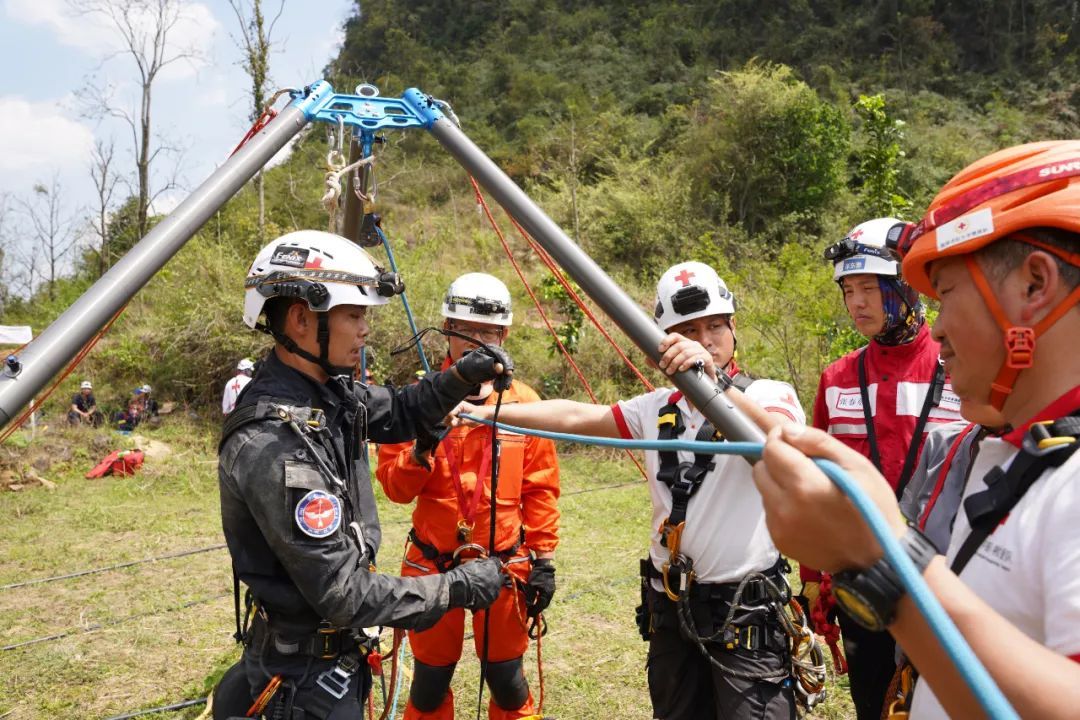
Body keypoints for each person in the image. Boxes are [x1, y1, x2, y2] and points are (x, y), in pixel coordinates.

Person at [752, 140, 1080, 719]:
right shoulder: (1005, 452)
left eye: (947, 294)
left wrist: (882, 560)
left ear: (1035, 285)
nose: (940, 325)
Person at [465, 262, 808, 720]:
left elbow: (784, 444)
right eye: (686, 331)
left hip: (742, 613)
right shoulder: (657, 409)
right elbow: (575, 417)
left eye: (714, 327)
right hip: (671, 605)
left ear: (732, 329)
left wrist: (716, 383)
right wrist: (490, 412)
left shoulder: (767, 394)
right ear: (660, 347)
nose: (703, 340)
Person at [213, 231, 513, 720]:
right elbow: (344, 593)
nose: (364, 330)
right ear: (301, 318)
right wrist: (456, 587)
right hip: (301, 681)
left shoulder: (327, 396)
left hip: (328, 661)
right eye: (354, 314)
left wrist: (461, 376)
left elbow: (398, 409)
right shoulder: (277, 444)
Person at [376, 273, 560, 720]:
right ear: (445, 328)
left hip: (506, 564)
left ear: (505, 335)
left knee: (507, 679)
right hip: (432, 564)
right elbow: (397, 490)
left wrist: (544, 559)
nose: (476, 341)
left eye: (488, 332)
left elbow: (540, 487)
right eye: (464, 330)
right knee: (429, 683)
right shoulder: (416, 402)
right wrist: (421, 448)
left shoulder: (525, 405)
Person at [802, 217, 963, 720]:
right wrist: (813, 579)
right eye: (848, 290)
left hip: (946, 584)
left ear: (906, 287)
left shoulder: (959, 366)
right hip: (862, 583)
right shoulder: (837, 378)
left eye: (869, 287)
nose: (857, 303)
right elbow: (819, 484)